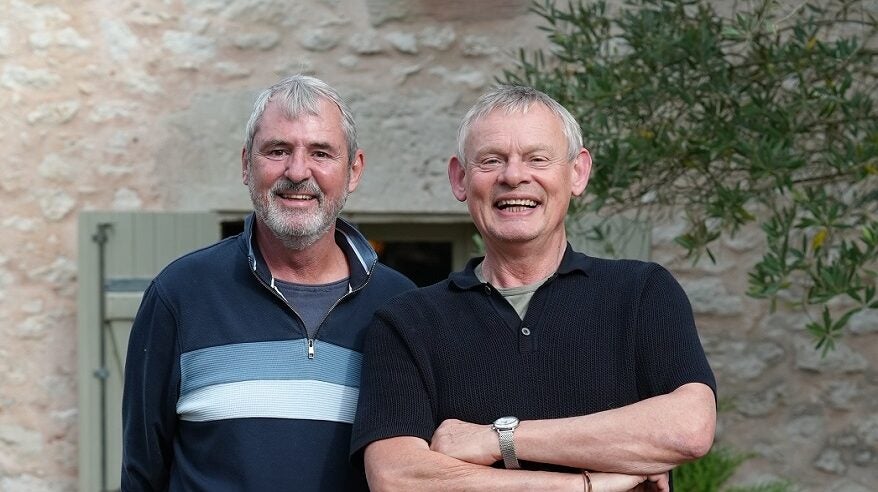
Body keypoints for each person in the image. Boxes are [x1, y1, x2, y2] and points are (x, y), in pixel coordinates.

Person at [351, 85, 717, 491]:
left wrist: (495, 439)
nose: (514, 176)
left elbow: (689, 428)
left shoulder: (641, 293)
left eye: (536, 158)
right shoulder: (408, 322)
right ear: (460, 179)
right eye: (491, 160)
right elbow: (397, 477)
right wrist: (589, 485)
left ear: (577, 173)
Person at [121, 75, 415, 491]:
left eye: (321, 152)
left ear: (354, 170)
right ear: (246, 164)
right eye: (277, 150)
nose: (298, 171)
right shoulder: (180, 295)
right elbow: (142, 473)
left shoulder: (401, 306)